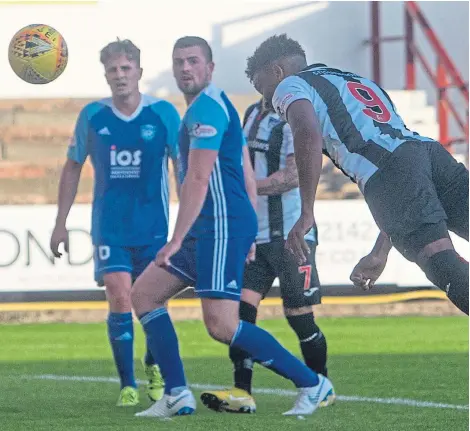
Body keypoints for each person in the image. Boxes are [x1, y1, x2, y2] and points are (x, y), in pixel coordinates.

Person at [131, 36, 334, 419]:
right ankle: (176, 393)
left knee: (223, 325)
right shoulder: (221, 105)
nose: (185, 68)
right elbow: (243, 168)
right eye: (178, 62)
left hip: (218, 229)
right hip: (219, 227)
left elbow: (198, 179)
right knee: (144, 295)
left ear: (209, 67)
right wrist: (252, 227)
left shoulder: (207, 108)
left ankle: (312, 383)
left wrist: (176, 239)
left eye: (193, 61)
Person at [245, 34, 469, 316]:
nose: (267, 99)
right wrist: (380, 251)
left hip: (390, 170)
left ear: (276, 71)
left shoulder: (290, 85)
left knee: (437, 257)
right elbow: (404, 178)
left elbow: (306, 133)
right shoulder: (355, 80)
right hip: (428, 153)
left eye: (262, 87)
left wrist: (306, 213)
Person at [49, 39, 181, 407]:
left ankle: (154, 365)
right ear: (105, 74)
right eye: (113, 70)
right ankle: (128, 384)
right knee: (119, 297)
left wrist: (190, 223)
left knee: (151, 302)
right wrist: (61, 222)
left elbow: (184, 169)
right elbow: (72, 167)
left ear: (139, 71)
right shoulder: (93, 116)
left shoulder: (163, 114)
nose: (120, 75)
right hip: (109, 227)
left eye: (126, 68)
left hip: (153, 227)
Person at [200, 98, 334, 414]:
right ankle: (242, 392)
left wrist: (243, 188)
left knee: (299, 316)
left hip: (291, 235)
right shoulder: (251, 113)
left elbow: (292, 176)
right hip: (254, 235)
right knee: (240, 315)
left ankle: (320, 386)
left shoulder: (295, 118)